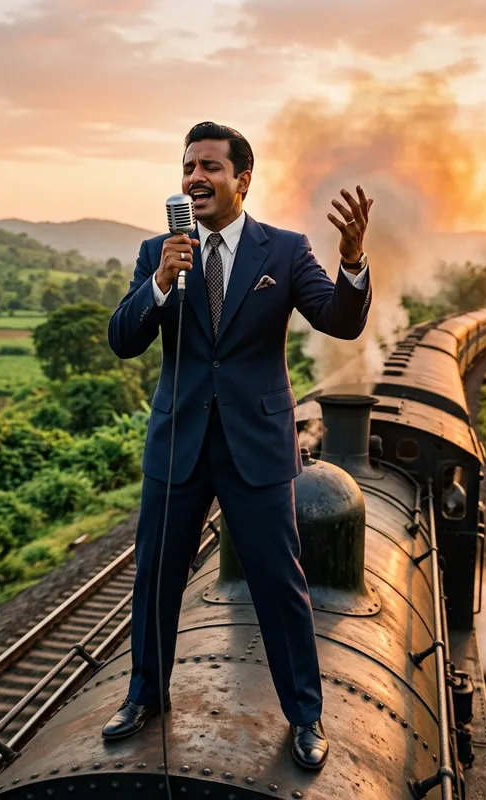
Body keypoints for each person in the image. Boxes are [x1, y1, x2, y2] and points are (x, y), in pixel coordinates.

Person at [105, 121, 373, 770]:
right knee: (155, 578)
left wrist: (354, 262)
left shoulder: (282, 251)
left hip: (256, 448)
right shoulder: (158, 253)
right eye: (187, 167)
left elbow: (339, 320)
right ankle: (145, 695)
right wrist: (162, 282)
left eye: (209, 167)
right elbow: (123, 339)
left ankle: (304, 715)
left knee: (280, 583)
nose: (194, 177)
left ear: (242, 179)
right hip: (178, 446)